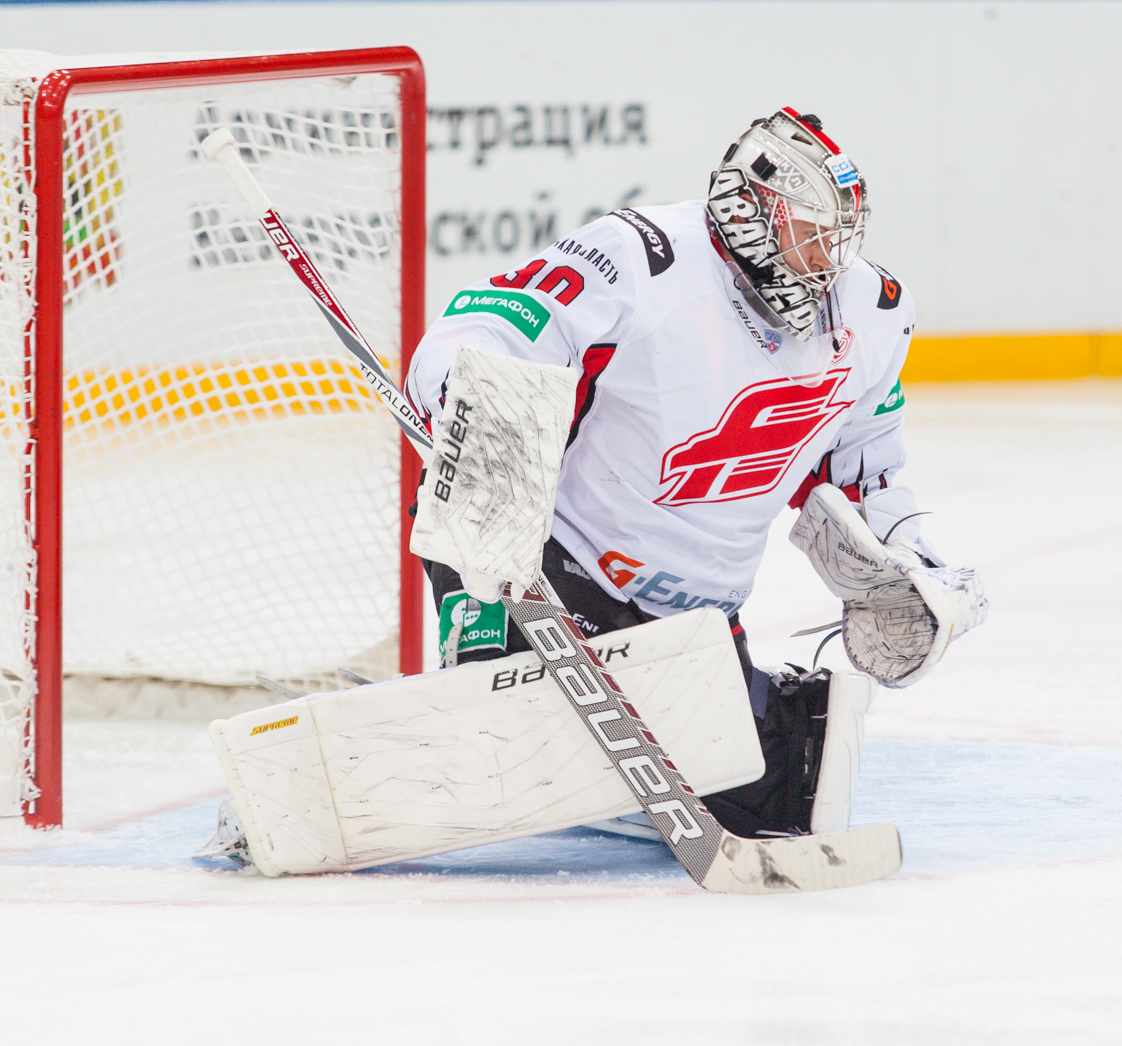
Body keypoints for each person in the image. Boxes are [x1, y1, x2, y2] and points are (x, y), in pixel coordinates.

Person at [404, 108, 987, 837]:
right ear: (751, 210)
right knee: (483, 452)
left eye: (836, 243)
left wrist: (911, 561)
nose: (826, 263)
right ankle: (484, 638)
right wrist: (480, 405)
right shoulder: (640, 258)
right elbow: (482, 328)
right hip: (552, 580)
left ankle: (618, 745)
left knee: (786, 805)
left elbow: (865, 468)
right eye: (810, 236)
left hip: (699, 629)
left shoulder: (871, 313)